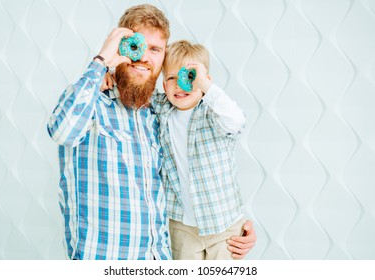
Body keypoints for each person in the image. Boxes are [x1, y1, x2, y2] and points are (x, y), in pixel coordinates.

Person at [48, 4, 255, 260]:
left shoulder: (157, 114)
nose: (144, 56)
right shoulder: (92, 101)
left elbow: (197, 166)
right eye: (136, 44)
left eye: (155, 49)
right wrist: (101, 62)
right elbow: (62, 132)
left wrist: (233, 226)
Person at [148, 40, 248, 259]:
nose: (179, 85)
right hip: (181, 225)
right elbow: (137, 91)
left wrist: (208, 88)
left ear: (203, 82)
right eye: (171, 78)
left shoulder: (214, 113)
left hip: (224, 223)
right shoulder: (162, 109)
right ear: (164, 85)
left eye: (189, 77)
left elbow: (237, 122)